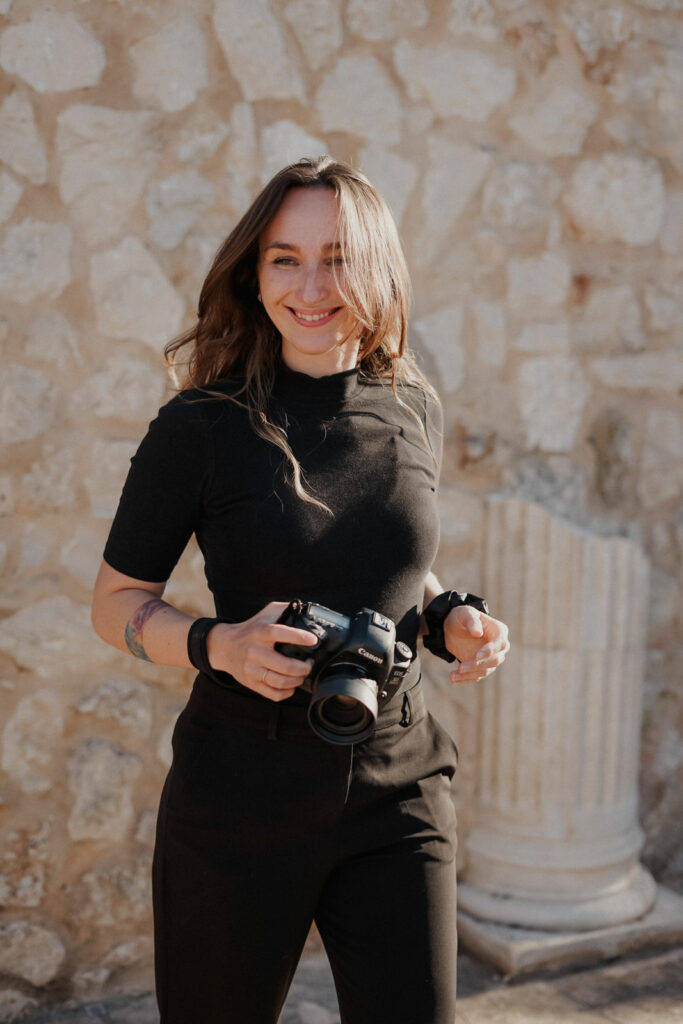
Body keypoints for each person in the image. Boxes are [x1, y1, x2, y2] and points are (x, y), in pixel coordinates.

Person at [91, 155, 510, 1024]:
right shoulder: (199, 428)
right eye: (286, 257)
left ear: (378, 268)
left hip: (399, 788)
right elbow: (116, 602)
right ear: (254, 272)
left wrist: (445, 615)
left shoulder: (409, 403)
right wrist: (220, 645)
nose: (312, 285)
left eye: (339, 257)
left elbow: (386, 557)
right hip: (238, 797)